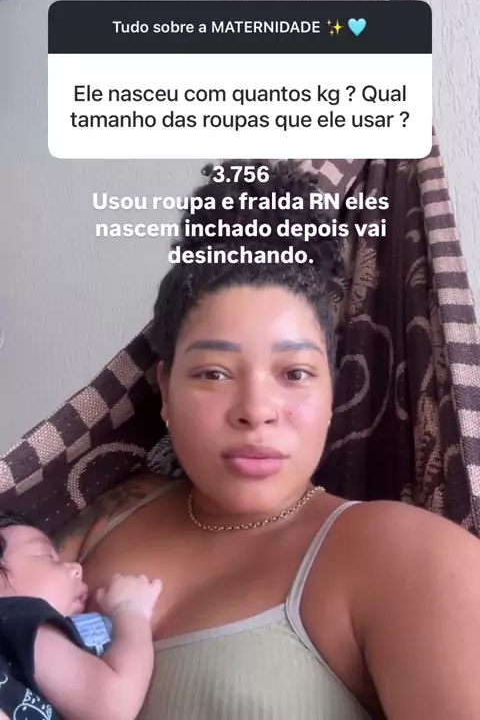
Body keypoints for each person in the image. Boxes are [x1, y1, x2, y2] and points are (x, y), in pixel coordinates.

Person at [54, 159, 480, 720]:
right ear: (165, 391)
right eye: (213, 373)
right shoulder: (107, 514)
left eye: (295, 373)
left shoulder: (408, 556)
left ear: (333, 393)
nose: (256, 411)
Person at [0, 512, 162, 720]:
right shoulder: (17, 615)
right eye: (48, 557)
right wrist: (131, 610)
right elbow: (112, 704)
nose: (76, 568)